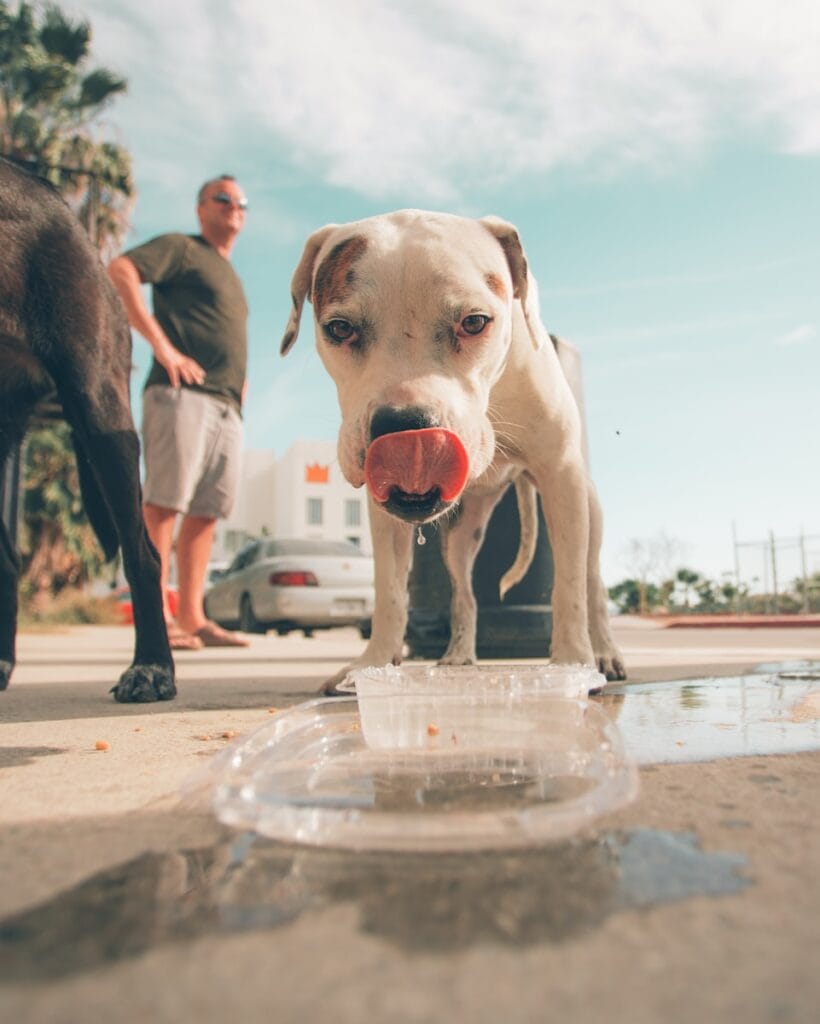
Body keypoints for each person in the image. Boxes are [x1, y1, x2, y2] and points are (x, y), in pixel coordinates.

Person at [108, 174, 250, 649]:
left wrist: (240, 387)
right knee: (165, 504)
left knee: (208, 512)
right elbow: (121, 271)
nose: (234, 207)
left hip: (226, 405)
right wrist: (163, 347)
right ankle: (156, 617)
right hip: (181, 394)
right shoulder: (183, 249)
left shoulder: (228, 272)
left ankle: (192, 616)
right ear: (200, 208)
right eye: (223, 198)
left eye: (241, 202)